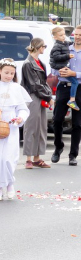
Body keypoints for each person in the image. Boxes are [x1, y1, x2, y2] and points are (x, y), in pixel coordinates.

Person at [0, 59, 30, 201]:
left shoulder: (17, 88)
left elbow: (23, 109)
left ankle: (9, 184)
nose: (9, 76)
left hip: (11, 127)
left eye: (12, 73)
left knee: (8, 158)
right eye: (6, 72)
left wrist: (20, 118)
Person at [50, 27, 81, 165]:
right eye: (76, 34)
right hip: (63, 88)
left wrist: (74, 74)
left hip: (79, 88)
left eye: (80, 35)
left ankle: (73, 155)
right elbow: (53, 65)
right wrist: (60, 72)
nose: (78, 37)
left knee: (77, 124)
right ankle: (58, 147)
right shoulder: (64, 47)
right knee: (57, 120)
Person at [21, 38, 53, 169]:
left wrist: (48, 95)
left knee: (41, 127)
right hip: (32, 96)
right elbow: (34, 85)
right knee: (31, 126)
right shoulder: (28, 63)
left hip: (40, 96)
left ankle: (37, 158)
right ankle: (29, 158)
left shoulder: (40, 62)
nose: (45, 48)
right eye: (44, 46)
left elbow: (43, 83)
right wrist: (48, 96)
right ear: (39, 47)